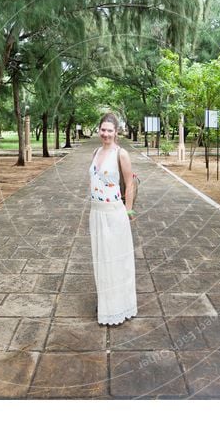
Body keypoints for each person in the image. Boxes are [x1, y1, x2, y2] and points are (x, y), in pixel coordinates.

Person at [88, 113, 137, 325]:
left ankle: (119, 305)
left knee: (117, 261)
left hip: (114, 213)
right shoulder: (95, 151)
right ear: (99, 130)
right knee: (101, 260)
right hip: (96, 213)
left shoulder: (121, 154)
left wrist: (128, 211)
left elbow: (130, 183)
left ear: (116, 132)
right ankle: (106, 302)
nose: (106, 134)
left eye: (110, 130)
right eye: (103, 129)